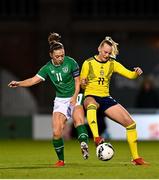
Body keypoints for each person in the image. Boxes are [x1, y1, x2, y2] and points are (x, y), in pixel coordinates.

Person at [8, 32, 89, 167]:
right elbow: (34, 80)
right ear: (51, 55)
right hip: (60, 100)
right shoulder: (47, 68)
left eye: (62, 55)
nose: (61, 58)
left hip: (76, 95)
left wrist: (75, 97)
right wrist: (19, 83)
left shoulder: (71, 62)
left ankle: (83, 144)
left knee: (78, 120)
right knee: (57, 131)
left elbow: (77, 82)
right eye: (57, 56)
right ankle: (61, 161)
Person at [80, 36, 149, 165]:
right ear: (99, 49)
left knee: (131, 124)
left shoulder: (112, 64)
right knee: (91, 105)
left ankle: (136, 158)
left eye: (109, 53)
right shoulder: (88, 63)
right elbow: (83, 85)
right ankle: (96, 137)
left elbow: (129, 75)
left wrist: (136, 73)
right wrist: (83, 83)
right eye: (105, 52)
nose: (106, 55)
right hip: (91, 95)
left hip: (105, 97)